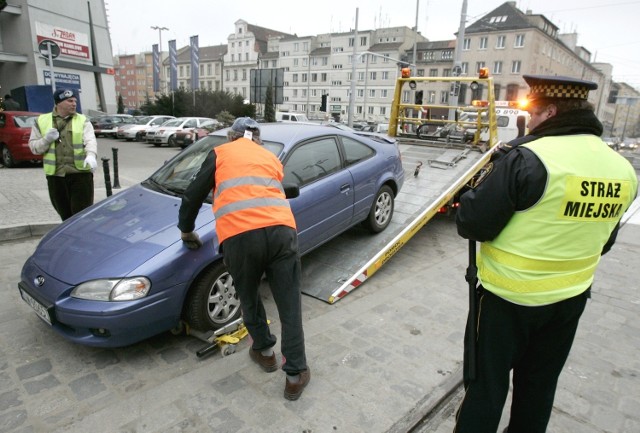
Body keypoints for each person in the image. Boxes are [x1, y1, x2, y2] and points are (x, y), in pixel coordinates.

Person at [454, 75, 638, 433]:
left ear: (551, 111)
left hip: (506, 301)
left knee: (486, 387)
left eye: (534, 115)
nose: (530, 123)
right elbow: (606, 241)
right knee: (539, 387)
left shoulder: (528, 158)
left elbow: (473, 224)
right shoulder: (623, 170)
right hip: (569, 301)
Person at [177, 117, 310, 400]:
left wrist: (187, 231)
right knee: (289, 304)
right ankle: (296, 374)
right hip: (281, 233)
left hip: (240, 237)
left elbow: (192, 195)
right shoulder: (270, 157)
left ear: (231, 137)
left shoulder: (221, 153)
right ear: (257, 139)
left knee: (249, 296)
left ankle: (264, 351)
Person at [28, 88, 98, 221]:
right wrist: (46, 140)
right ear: (58, 103)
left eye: (75, 101)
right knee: (65, 216)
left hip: (80, 175)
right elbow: (34, 148)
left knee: (81, 216)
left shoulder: (83, 120)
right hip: (56, 176)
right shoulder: (41, 121)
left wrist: (91, 155)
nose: (74, 104)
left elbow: (90, 140)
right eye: (69, 101)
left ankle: (79, 240)